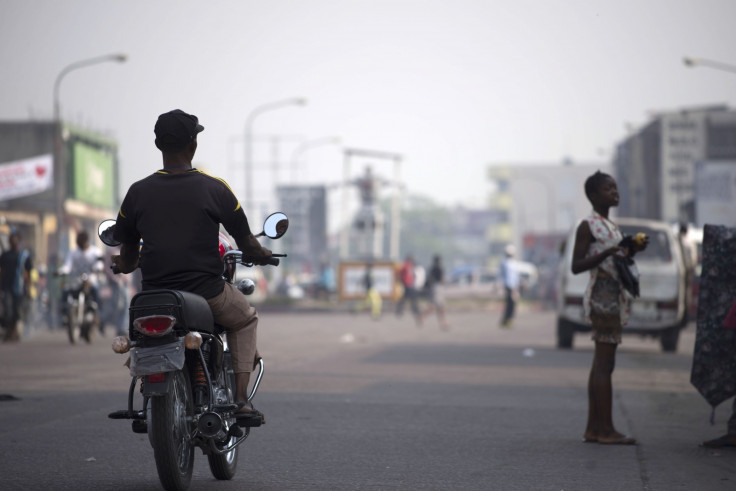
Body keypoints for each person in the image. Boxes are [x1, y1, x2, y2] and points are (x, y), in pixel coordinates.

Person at [112, 109, 272, 419]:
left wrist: (123, 263)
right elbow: (246, 242)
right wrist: (261, 254)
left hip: (155, 298)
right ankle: (240, 400)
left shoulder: (136, 193)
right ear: (193, 145)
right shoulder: (215, 188)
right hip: (207, 293)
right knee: (246, 318)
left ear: (159, 144)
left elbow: (129, 259)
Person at [572, 170, 647, 445]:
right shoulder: (588, 225)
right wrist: (605, 253)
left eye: (615, 187)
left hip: (614, 296)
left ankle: (594, 428)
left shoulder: (610, 226)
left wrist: (631, 249)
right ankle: (605, 430)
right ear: (593, 195)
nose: (615, 192)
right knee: (605, 364)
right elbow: (576, 265)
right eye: (608, 189)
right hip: (603, 296)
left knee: (602, 365)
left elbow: (616, 258)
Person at [0, 232, 32, 342]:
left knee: (17, 311)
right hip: (7, 286)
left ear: (19, 241)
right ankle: (8, 330)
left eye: (16, 240)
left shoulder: (24, 256)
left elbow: (27, 273)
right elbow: (1, 271)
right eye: (12, 240)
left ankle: (14, 332)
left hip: (20, 287)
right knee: (8, 310)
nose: (14, 242)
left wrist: (28, 287)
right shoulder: (5, 256)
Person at [421, 255, 449, 330]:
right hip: (438, 288)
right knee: (436, 306)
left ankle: (443, 323)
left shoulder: (431, 268)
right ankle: (422, 317)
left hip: (432, 288)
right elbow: (442, 279)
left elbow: (428, 279)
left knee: (439, 307)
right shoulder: (439, 268)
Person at [396, 254, 421, 326]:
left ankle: (413, 310)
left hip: (410, 284)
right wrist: (403, 281)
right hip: (407, 284)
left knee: (409, 298)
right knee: (408, 299)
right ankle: (413, 310)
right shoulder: (405, 265)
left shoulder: (410, 266)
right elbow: (401, 274)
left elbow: (412, 275)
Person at [499, 245, 520, 328]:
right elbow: (501, 275)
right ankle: (506, 319)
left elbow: (516, 276)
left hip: (514, 287)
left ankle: (510, 319)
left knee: (513, 303)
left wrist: (517, 287)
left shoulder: (514, 263)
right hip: (507, 286)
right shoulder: (504, 262)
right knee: (509, 303)